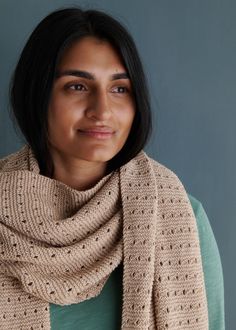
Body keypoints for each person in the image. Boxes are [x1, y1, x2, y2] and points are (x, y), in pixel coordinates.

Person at [0, 6, 224, 330]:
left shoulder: (180, 216)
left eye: (120, 89)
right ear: (36, 94)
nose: (102, 110)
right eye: (77, 86)